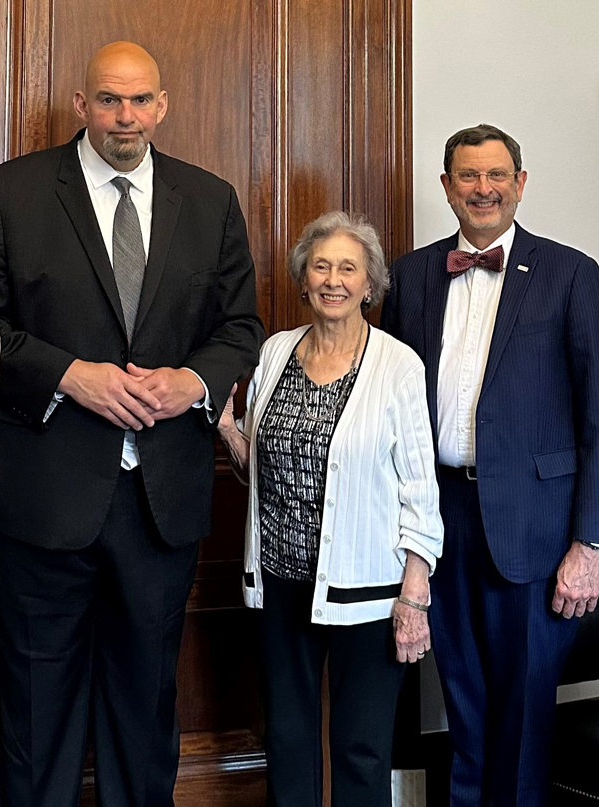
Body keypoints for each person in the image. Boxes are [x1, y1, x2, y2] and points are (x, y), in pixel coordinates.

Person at [0, 41, 264, 807]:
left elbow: (239, 327)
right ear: (81, 105)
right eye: (110, 100)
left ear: (163, 104)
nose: (126, 116)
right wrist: (68, 376)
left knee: (145, 707)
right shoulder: (13, 192)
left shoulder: (209, 199)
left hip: (163, 501)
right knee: (34, 714)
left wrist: (192, 381)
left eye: (141, 100)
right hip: (42, 502)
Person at [381, 123, 599, 807]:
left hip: (535, 526)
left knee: (525, 707)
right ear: (446, 186)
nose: (484, 188)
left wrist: (589, 543)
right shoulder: (412, 274)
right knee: (463, 697)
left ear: (520, 184)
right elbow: (388, 401)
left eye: (497, 175)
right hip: (439, 518)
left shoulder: (571, 273)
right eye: (469, 176)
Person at [217, 211, 443, 807]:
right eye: (322, 266)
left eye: (349, 268)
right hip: (280, 583)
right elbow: (262, 472)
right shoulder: (274, 351)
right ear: (304, 277)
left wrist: (414, 596)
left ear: (370, 285)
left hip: (367, 590)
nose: (334, 279)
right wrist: (230, 434)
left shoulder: (399, 365)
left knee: (361, 748)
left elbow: (421, 491)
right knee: (287, 741)